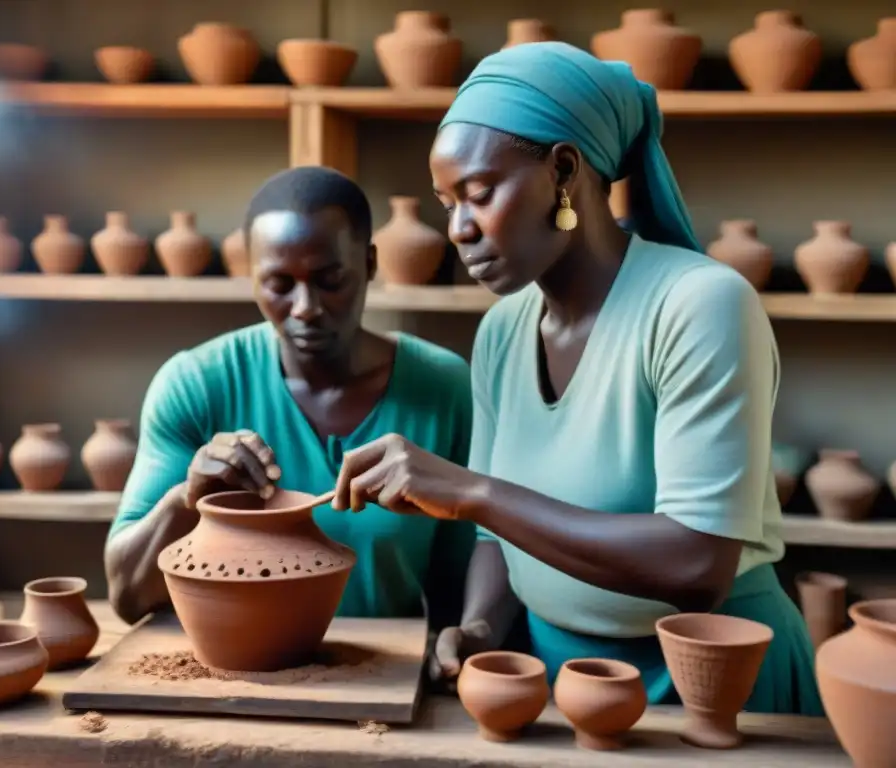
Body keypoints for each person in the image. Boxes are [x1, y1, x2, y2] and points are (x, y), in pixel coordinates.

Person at [329, 42, 823, 715]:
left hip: (711, 687)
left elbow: (696, 565)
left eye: (479, 194)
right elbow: (500, 540)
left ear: (564, 170)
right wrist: (481, 625)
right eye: (446, 203)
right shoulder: (503, 331)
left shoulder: (699, 305)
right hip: (557, 688)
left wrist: (472, 491)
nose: (458, 230)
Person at [104, 166, 476, 629]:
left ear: (370, 263)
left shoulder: (443, 387)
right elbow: (126, 595)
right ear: (253, 278)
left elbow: (459, 583)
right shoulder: (197, 383)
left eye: (330, 279)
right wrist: (186, 501)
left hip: (384, 676)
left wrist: (457, 652)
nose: (306, 307)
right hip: (231, 680)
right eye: (280, 284)